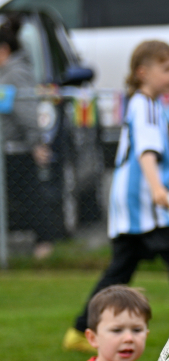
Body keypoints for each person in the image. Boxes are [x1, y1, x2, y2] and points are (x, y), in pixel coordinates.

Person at [62, 41, 169, 353]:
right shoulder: (145, 105)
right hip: (143, 203)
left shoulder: (147, 104)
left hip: (135, 202)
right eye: (166, 69)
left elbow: (149, 159)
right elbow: (146, 153)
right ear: (143, 72)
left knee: (120, 271)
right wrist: (158, 190)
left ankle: (79, 332)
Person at [0, 16, 58, 261]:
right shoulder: (10, 72)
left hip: (19, 148)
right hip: (11, 148)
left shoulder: (15, 73)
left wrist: (36, 143)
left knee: (30, 196)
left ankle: (45, 244)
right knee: (25, 196)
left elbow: (28, 112)